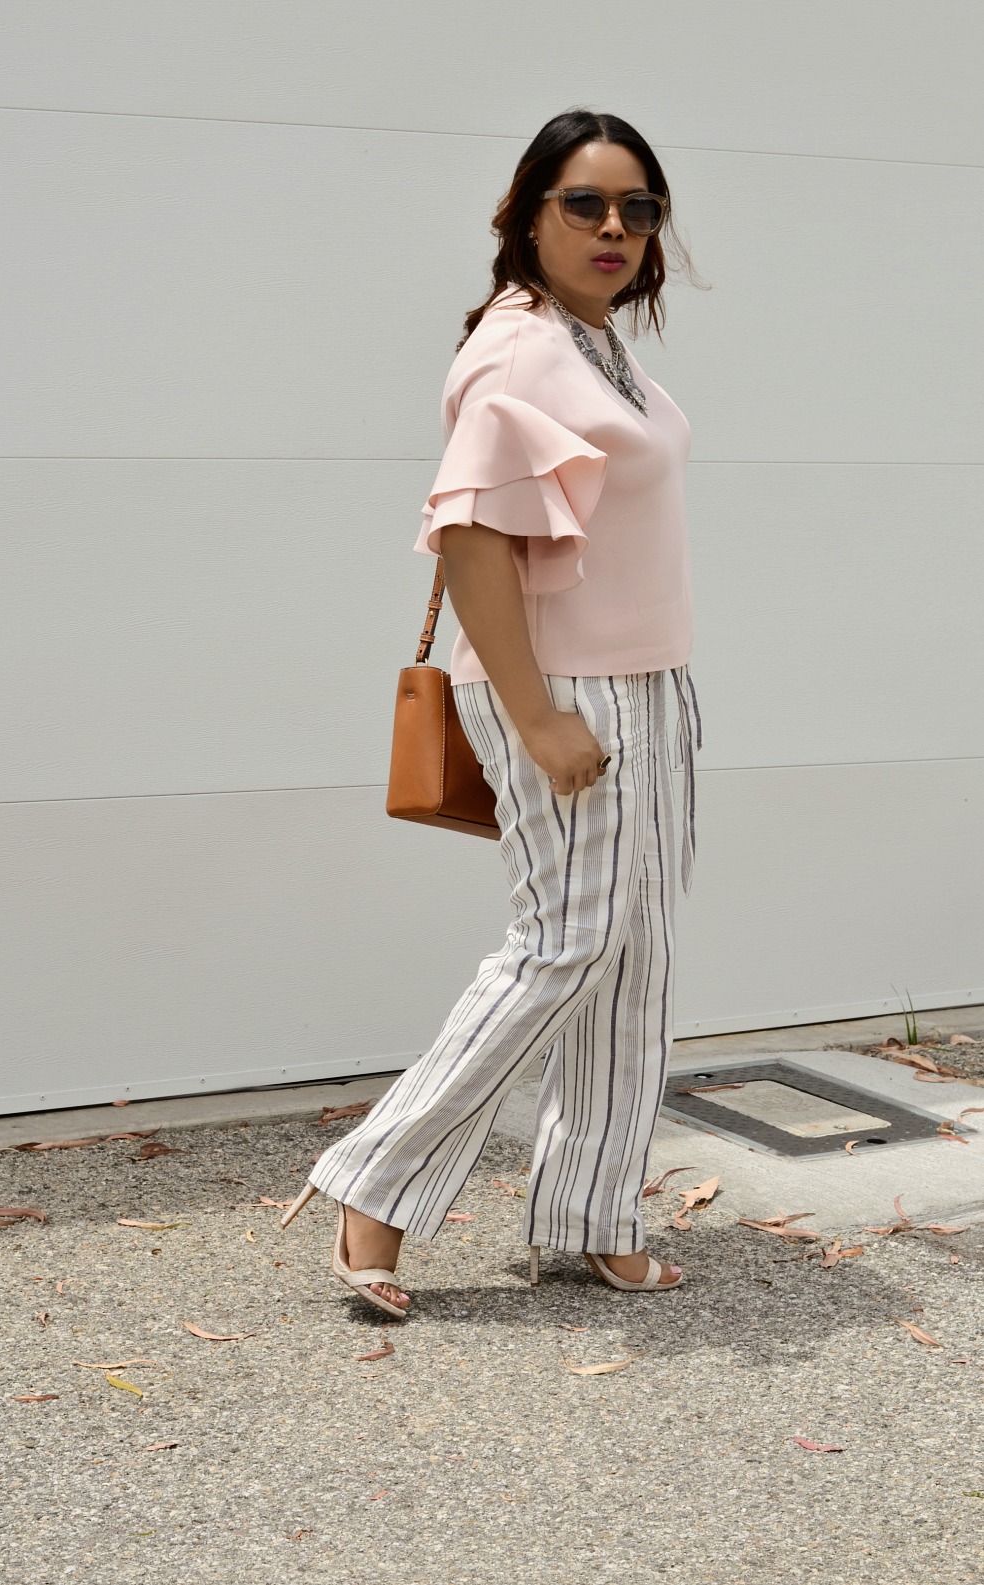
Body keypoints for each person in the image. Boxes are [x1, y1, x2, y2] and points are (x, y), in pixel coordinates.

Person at [282, 108, 702, 1317]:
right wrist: (538, 717)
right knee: (565, 945)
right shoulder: (519, 351)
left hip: (650, 679)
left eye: (638, 207)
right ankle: (379, 1181)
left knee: (635, 959)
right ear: (527, 217)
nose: (615, 227)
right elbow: (469, 541)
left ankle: (590, 1207)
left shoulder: (596, 345)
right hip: (562, 689)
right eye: (586, 203)